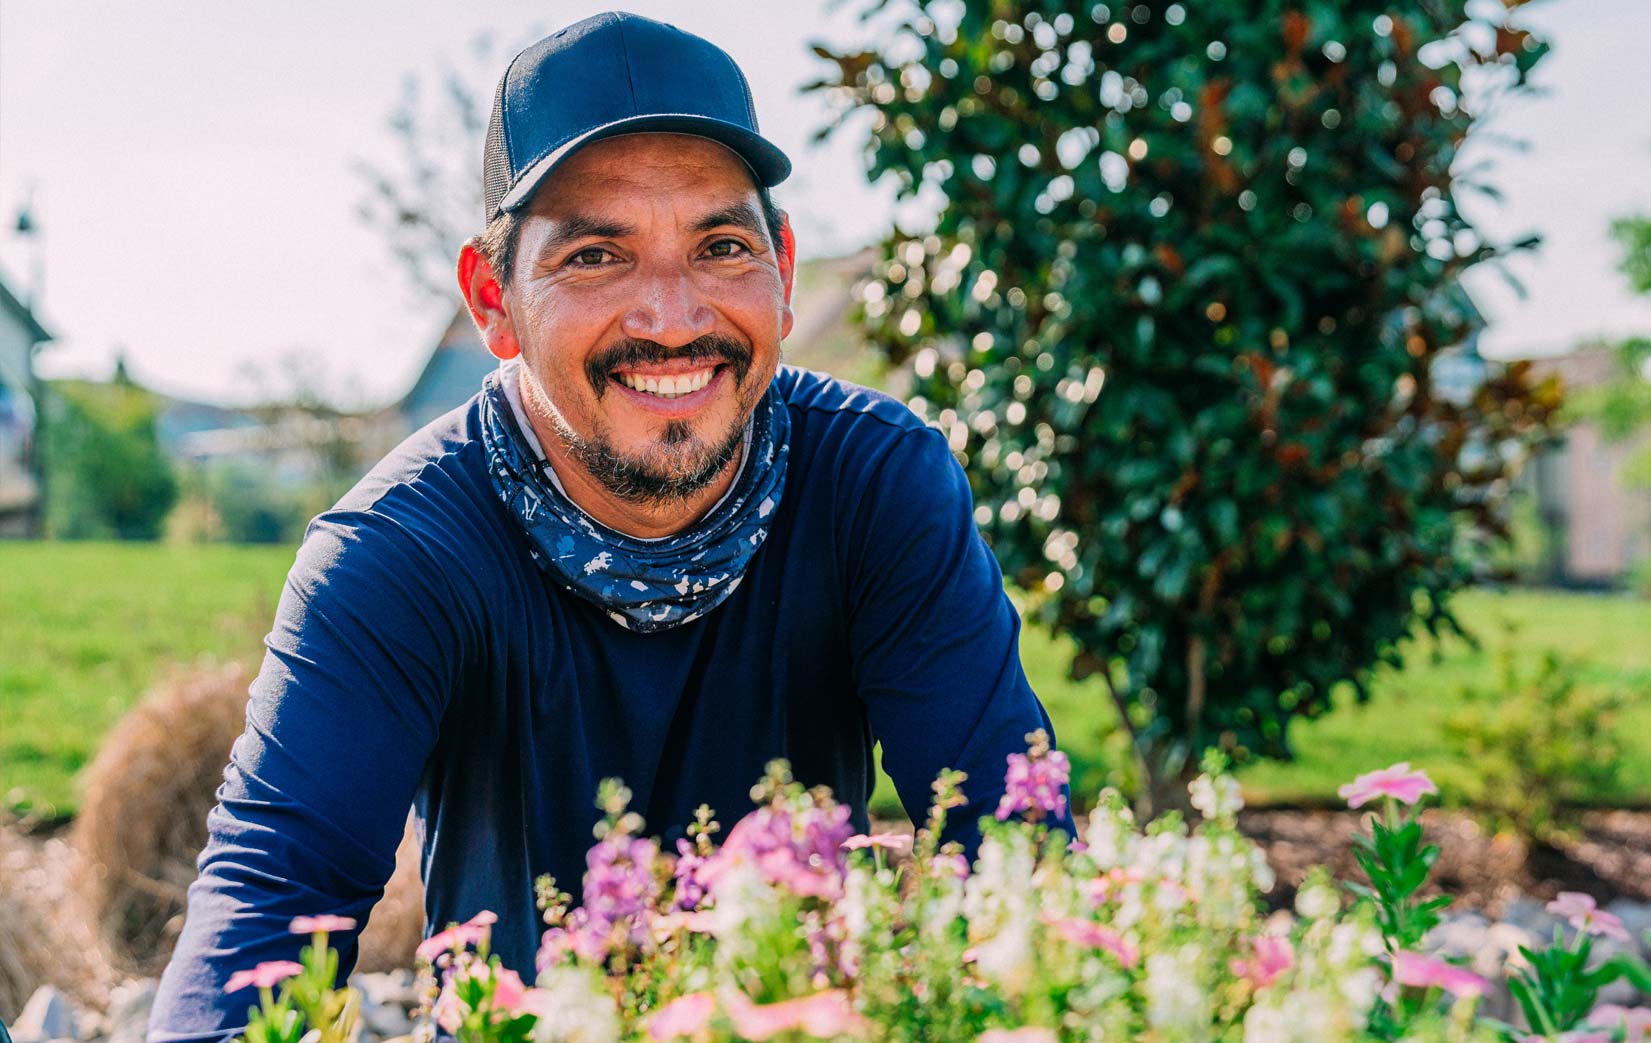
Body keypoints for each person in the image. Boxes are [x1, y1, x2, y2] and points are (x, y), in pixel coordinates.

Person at [149, 12, 1069, 1041]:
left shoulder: (877, 482)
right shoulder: (396, 558)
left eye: (721, 245)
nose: (672, 318)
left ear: (784, 269)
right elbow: (261, 917)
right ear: (493, 299)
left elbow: (1017, 855)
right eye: (596, 256)